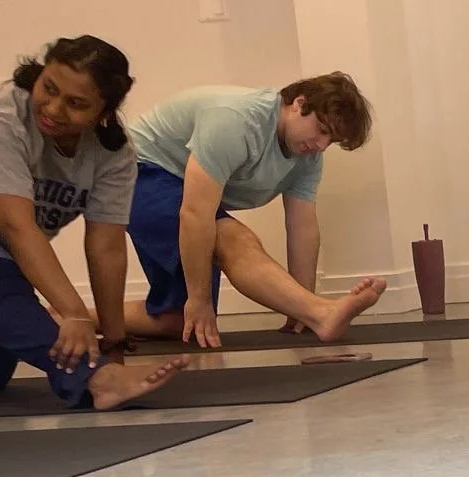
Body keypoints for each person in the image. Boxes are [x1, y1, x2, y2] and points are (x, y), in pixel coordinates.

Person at [0, 38, 188, 410]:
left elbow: (107, 247)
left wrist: (113, 344)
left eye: (76, 104)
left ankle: (102, 372)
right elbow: (14, 226)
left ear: (103, 112)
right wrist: (75, 314)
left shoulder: (112, 153)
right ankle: (95, 380)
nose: (52, 108)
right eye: (48, 88)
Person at [122, 75, 387, 348]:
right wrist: (200, 299)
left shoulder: (307, 156)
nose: (321, 144)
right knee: (232, 238)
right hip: (135, 171)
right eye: (320, 129)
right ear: (299, 103)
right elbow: (195, 214)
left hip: (174, 183)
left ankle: (79, 319)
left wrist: (299, 309)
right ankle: (323, 314)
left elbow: (302, 228)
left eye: (330, 139)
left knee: (176, 320)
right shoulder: (236, 121)